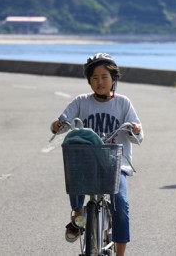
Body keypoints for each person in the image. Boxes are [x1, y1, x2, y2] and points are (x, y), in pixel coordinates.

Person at [50, 53, 143, 256]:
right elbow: (62, 120)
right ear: (89, 81)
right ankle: (78, 214)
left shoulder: (123, 103)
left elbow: (139, 133)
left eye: (104, 77)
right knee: (73, 169)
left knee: (120, 204)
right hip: (86, 162)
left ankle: (120, 253)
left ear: (113, 79)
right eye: (94, 77)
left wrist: (134, 129)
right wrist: (57, 125)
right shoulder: (81, 102)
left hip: (115, 165)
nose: (99, 82)